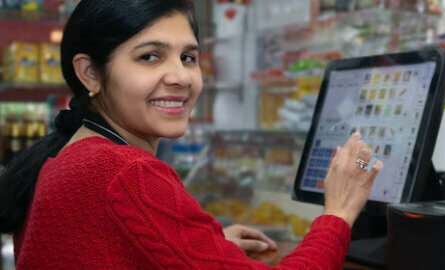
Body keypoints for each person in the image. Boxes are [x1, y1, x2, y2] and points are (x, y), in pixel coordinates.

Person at [0, 0, 383, 269]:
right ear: (91, 74)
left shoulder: (71, 154)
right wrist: (340, 211)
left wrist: (201, 250)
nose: (180, 77)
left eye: (188, 57)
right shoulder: (124, 171)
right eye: (149, 56)